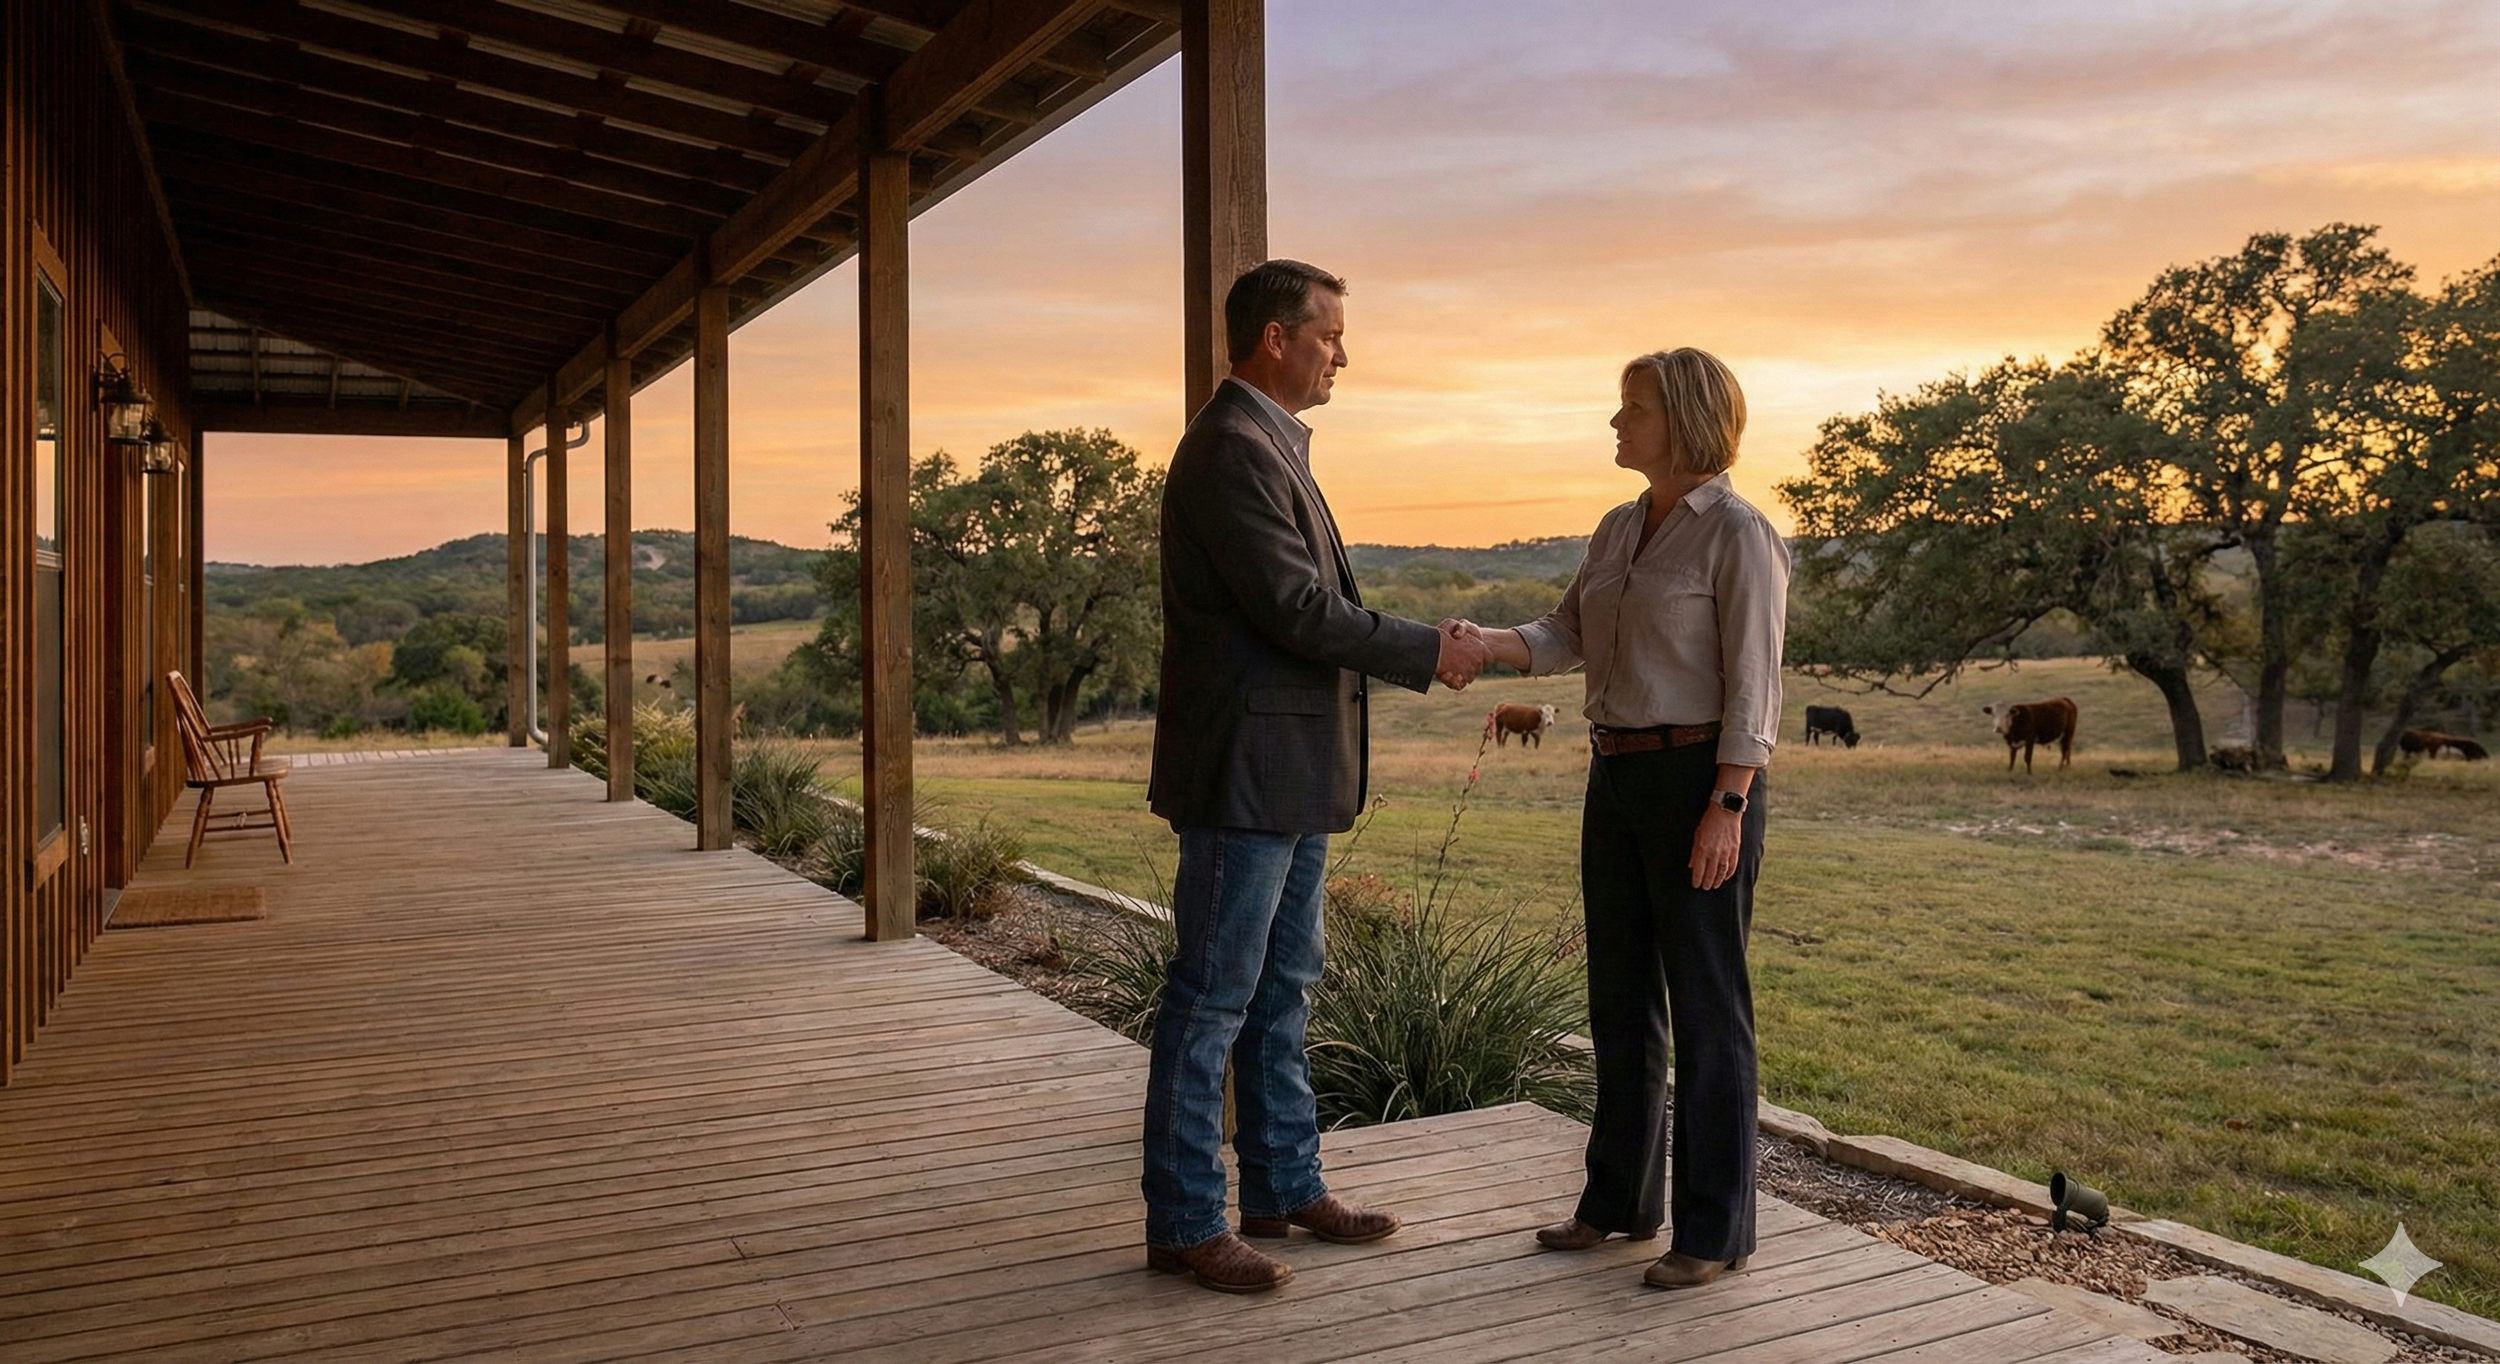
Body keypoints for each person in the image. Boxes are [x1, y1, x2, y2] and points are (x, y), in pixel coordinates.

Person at [1142, 259, 1492, 1294]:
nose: (1342, 353)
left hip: (1288, 774)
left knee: (1283, 988)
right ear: (1273, 341)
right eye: (1330, 334)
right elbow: (1296, 611)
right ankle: (1184, 1219)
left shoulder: (1267, 443)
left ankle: (1285, 1182)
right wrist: (1431, 646)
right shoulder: (1228, 450)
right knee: (1210, 997)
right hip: (1243, 777)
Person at [1451, 347, 1788, 1290]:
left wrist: (1727, 806)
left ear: (1680, 420)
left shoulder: (1740, 535)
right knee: (1620, 999)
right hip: (1616, 779)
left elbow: (1755, 691)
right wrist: (1481, 644)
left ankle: (1715, 1234)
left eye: (1630, 408)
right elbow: (1564, 635)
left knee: (1709, 1010)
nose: (1614, 422)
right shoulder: (1614, 527)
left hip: (1700, 787)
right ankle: (1618, 1205)